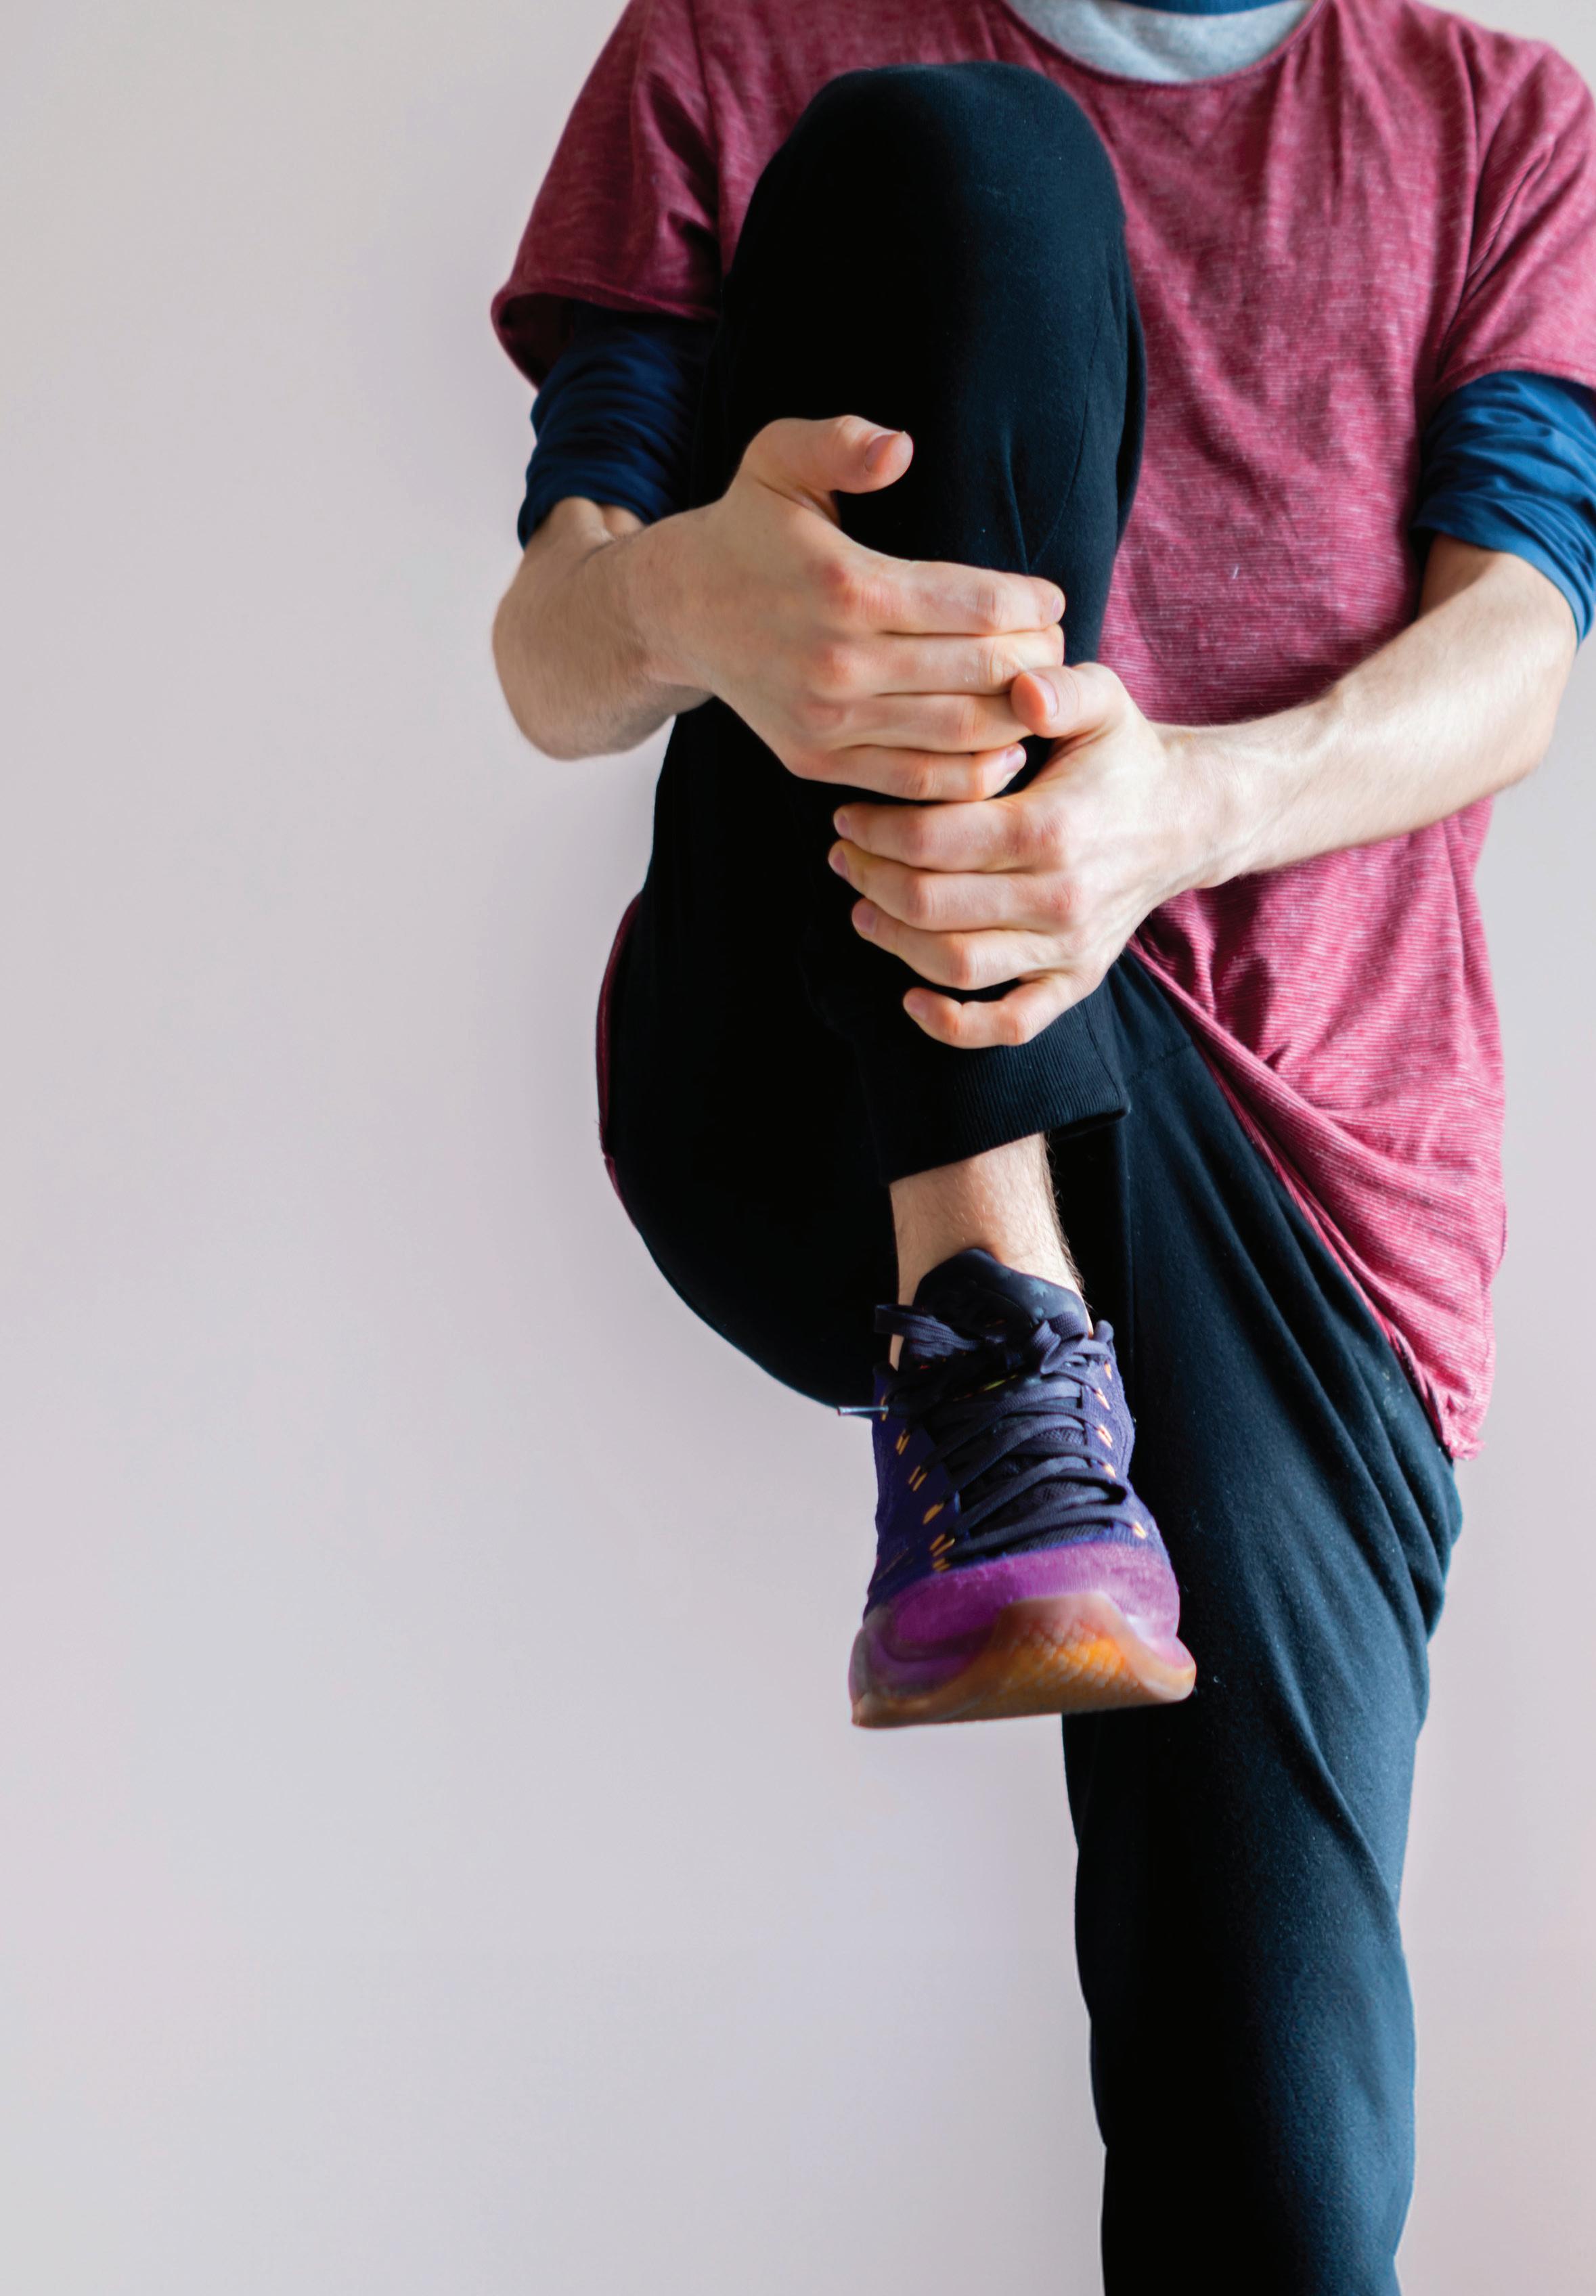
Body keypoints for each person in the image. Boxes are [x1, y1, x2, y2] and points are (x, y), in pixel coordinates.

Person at [489, 2, 1596, 2286]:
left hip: (1299, 1158)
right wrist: (690, 596)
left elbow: (1520, 643)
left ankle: (1016, 1359)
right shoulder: (733, 41)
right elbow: (554, 644)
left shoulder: (1495, 123)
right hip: (805, 1062)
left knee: (1276, 2190)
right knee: (956, 170)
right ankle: (993, 1307)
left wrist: (1178, 812)